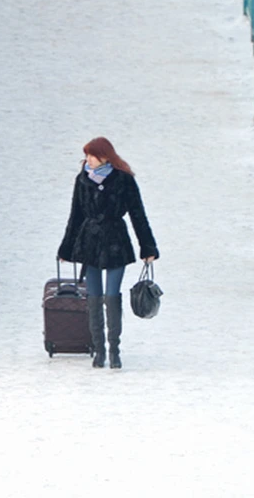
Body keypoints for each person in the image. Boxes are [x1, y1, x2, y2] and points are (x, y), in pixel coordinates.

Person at [57, 137, 158, 370]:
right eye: (87, 155)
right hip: (89, 243)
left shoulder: (124, 180)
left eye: (93, 155)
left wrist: (148, 247)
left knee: (112, 295)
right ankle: (98, 350)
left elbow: (137, 215)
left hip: (115, 241)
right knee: (93, 296)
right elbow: (75, 216)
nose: (88, 160)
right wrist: (66, 248)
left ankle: (114, 350)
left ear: (105, 156)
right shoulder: (82, 180)